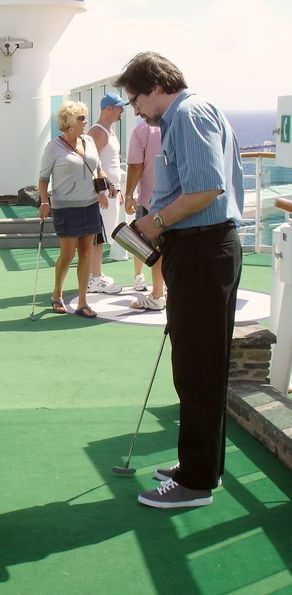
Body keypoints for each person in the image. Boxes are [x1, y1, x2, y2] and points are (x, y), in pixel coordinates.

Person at [115, 52, 244, 508]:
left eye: (135, 100)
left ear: (155, 86)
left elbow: (207, 188)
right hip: (202, 249)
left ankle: (195, 483)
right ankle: (203, 467)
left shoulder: (187, 115)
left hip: (202, 250)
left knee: (197, 369)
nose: (135, 110)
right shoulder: (186, 115)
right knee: (199, 365)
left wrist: (155, 223)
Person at [38, 101, 109, 319]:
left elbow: (98, 168)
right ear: (69, 121)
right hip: (66, 208)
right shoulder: (53, 147)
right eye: (81, 118)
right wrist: (44, 201)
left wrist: (103, 188)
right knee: (68, 254)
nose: (85, 122)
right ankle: (57, 293)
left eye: (85, 117)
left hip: (90, 205)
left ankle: (82, 302)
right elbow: (43, 178)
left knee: (87, 252)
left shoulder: (89, 141)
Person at [86, 92, 129, 295]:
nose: (122, 111)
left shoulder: (108, 132)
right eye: (119, 107)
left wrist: (117, 189)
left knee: (102, 233)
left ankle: (95, 275)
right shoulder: (98, 132)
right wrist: (100, 191)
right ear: (108, 108)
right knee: (99, 234)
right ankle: (95, 278)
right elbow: (92, 164)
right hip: (102, 193)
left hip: (110, 191)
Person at [125, 121, 167, 310]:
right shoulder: (176, 125)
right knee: (173, 248)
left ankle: (157, 295)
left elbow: (135, 167)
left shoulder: (142, 131)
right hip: (178, 201)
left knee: (154, 250)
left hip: (152, 201)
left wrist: (128, 196)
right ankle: (167, 289)